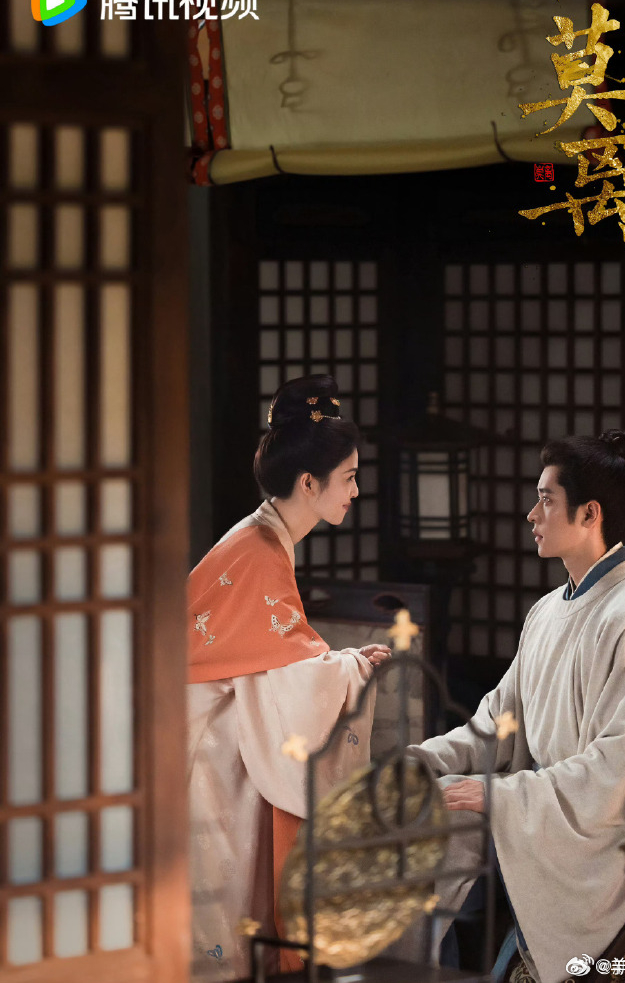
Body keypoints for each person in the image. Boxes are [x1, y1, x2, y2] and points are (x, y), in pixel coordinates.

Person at [409, 429, 625, 983]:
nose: (531, 515)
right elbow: (496, 723)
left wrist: (500, 795)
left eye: (546, 500)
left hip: (594, 831)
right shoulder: (545, 611)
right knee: (419, 813)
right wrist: (420, 762)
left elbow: (616, 770)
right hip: (541, 807)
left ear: (589, 514)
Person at [187, 375, 390, 981]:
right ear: (309, 483)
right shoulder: (259, 551)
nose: (356, 491)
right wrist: (353, 667)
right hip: (197, 752)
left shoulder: (262, 539)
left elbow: (278, 667)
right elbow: (289, 683)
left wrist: (339, 664)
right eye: (349, 477)